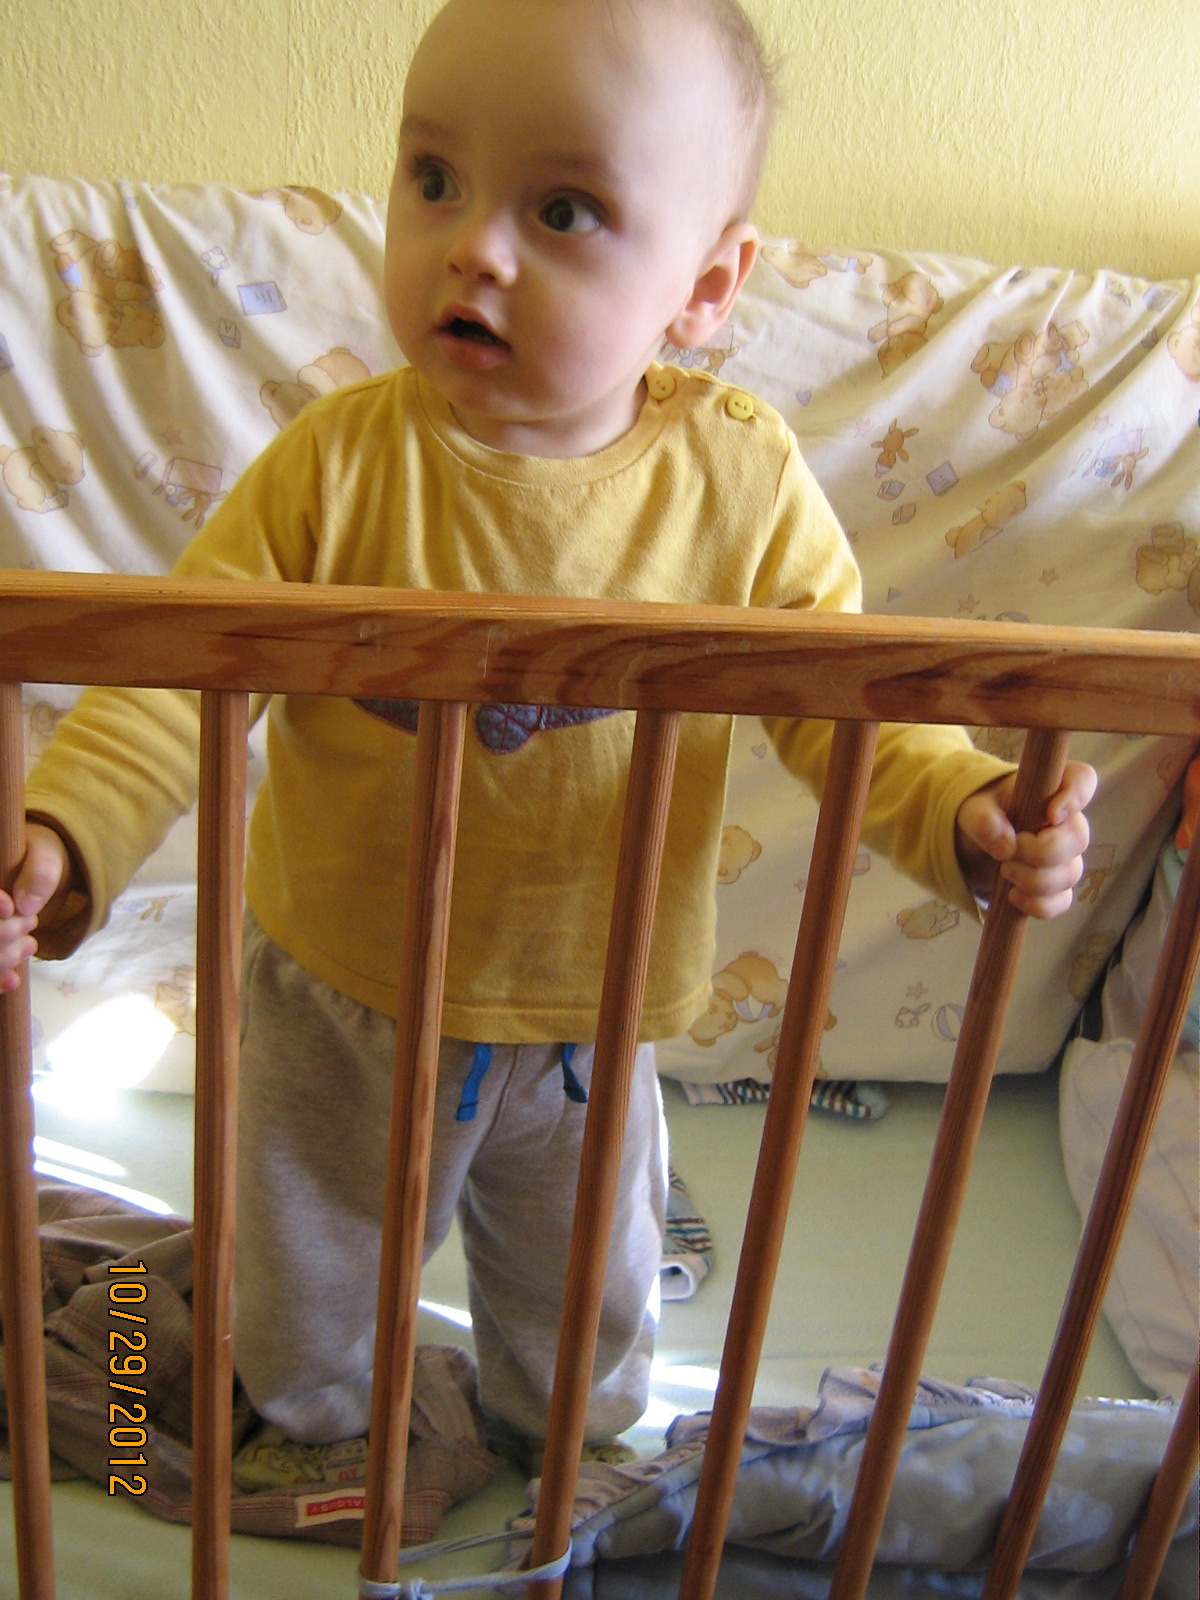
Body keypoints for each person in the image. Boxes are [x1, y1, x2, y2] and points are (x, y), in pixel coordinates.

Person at [0, 0, 1095, 1476]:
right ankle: (328, 1462)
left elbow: (850, 707)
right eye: (434, 178)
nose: (475, 248)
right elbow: (172, 674)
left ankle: (559, 1473)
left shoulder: (735, 485)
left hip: (589, 1012)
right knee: (304, 1290)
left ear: (703, 288)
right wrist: (63, 835)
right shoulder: (336, 466)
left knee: (583, 1308)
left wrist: (962, 810)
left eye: (563, 210)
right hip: (341, 995)